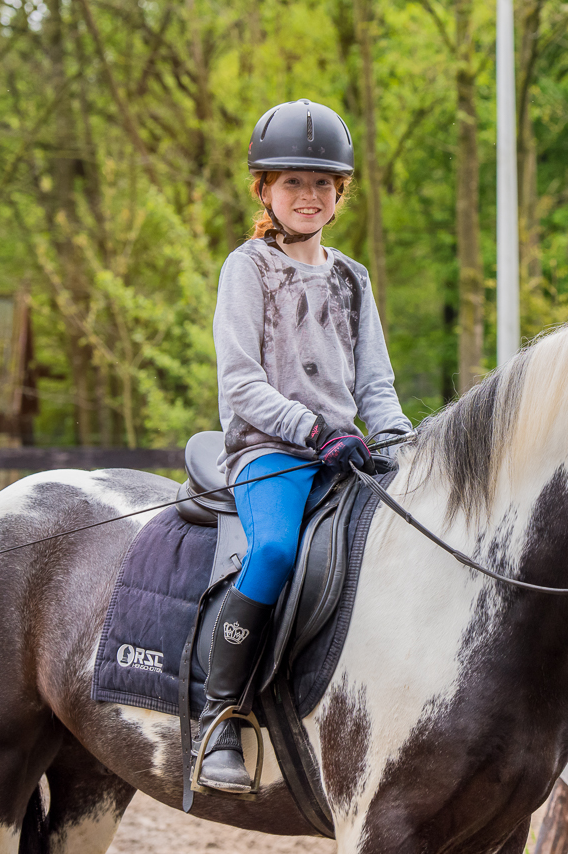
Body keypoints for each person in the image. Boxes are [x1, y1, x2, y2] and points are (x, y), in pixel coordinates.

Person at [197, 98, 413, 793]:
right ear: (264, 189)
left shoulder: (353, 277)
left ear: (340, 193)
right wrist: (314, 432)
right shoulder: (247, 269)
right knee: (275, 551)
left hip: (347, 455)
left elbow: (375, 384)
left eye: (323, 184)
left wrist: (403, 443)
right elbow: (241, 385)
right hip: (271, 451)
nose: (309, 197)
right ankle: (218, 714)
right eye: (293, 183)